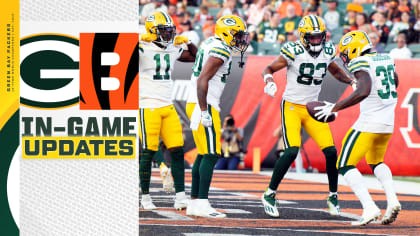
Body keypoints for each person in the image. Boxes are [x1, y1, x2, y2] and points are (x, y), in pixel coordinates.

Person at [260, 15, 356, 218]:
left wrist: (351, 81)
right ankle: (269, 193)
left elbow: (336, 71)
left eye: (319, 37)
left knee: (331, 152)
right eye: (311, 38)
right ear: (303, 37)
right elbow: (268, 68)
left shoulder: (328, 50)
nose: (316, 41)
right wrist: (269, 80)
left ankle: (333, 196)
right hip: (292, 107)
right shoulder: (293, 51)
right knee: (291, 151)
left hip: (313, 108)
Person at [321, 30, 402, 226]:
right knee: (376, 162)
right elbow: (395, 82)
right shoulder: (386, 58)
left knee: (344, 164)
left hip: (369, 122)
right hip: (387, 122)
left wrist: (335, 107)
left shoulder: (361, 62)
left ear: (355, 48)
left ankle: (369, 207)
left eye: (347, 53)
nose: (346, 58)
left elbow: (364, 91)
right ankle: (392, 200)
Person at [185, 15, 250, 218]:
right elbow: (203, 79)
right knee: (212, 153)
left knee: (204, 153)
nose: (241, 40)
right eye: (237, 35)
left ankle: (195, 202)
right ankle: (202, 202)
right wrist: (204, 110)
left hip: (195, 102)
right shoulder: (221, 48)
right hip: (204, 103)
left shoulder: (211, 42)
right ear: (226, 33)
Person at [139, 11, 198, 210]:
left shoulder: (172, 48)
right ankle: (145, 197)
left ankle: (180, 196)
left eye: (169, 31)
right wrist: (137, 40)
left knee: (177, 150)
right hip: (148, 105)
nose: (168, 35)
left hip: (168, 105)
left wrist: (188, 42)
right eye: (163, 31)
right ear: (152, 32)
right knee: (147, 152)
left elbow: (195, 57)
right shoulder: (142, 47)